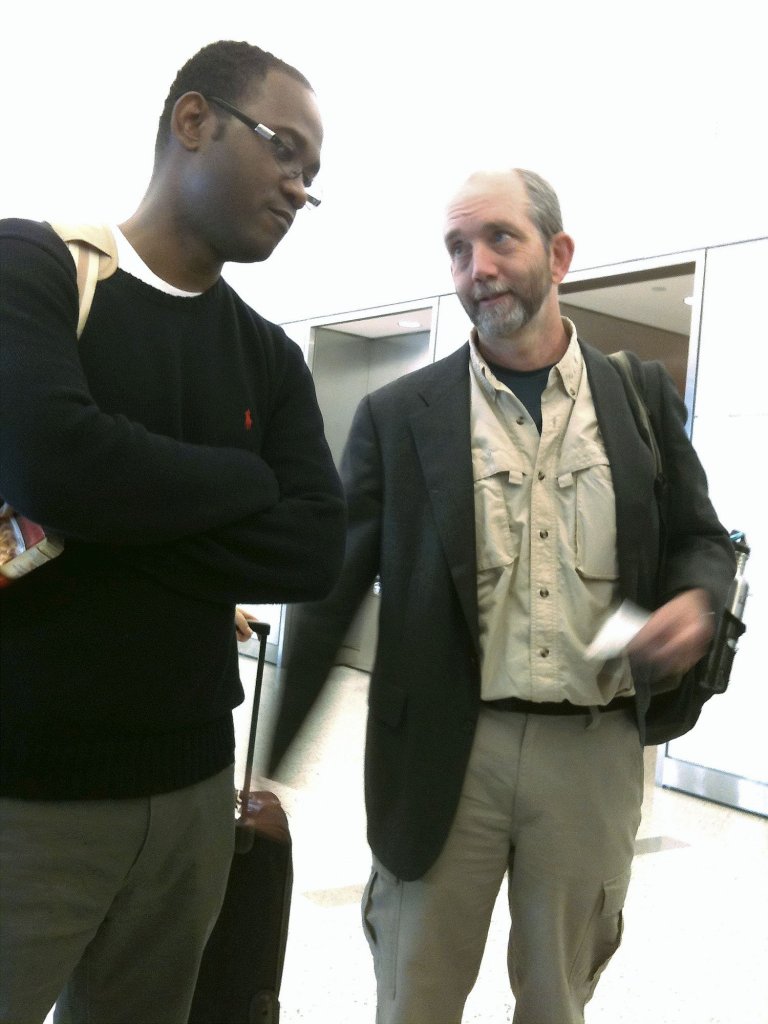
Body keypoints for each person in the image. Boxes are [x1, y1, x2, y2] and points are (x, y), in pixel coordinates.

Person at [267, 168, 735, 1023]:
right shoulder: (398, 414)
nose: (475, 266)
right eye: (456, 248)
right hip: (445, 748)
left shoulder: (636, 398)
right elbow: (330, 584)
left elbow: (701, 538)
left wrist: (697, 604)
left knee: (558, 997)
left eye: (499, 240)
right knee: (416, 993)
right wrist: (273, 752)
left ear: (558, 254)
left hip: (591, 753)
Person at [0, 40, 345, 1023]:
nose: (298, 188)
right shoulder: (37, 266)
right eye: (287, 150)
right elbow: (53, 462)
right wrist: (243, 481)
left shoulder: (269, 358)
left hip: (193, 793)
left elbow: (315, 545)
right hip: (27, 794)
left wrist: (104, 511)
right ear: (194, 121)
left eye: (313, 177)